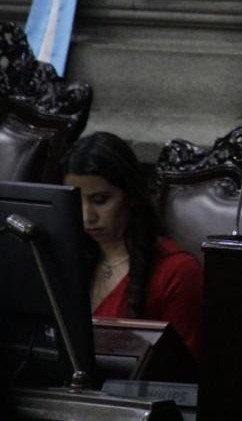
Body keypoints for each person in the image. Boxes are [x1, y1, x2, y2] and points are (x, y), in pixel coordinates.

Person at [61, 132, 203, 359]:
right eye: (75, 201)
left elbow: (183, 376)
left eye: (100, 200)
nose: (87, 216)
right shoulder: (64, 259)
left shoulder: (177, 271)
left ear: (131, 196)